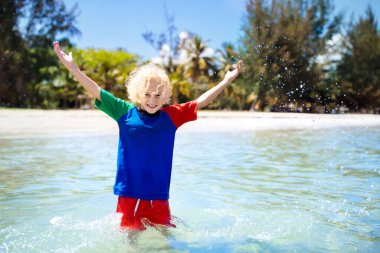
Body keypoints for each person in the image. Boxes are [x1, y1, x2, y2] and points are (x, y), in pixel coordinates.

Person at [53, 41, 243, 232]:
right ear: (137, 94)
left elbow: (202, 101)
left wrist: (226, 81)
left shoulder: (172, 116)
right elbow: (96, 91)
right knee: (130, 236)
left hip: (158, 194)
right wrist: (72, 67)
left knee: (166, 234)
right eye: (147, 94)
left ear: (166, 95)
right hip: (129, 193)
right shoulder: (123, 112)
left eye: (158, 95)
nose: (152, 100)